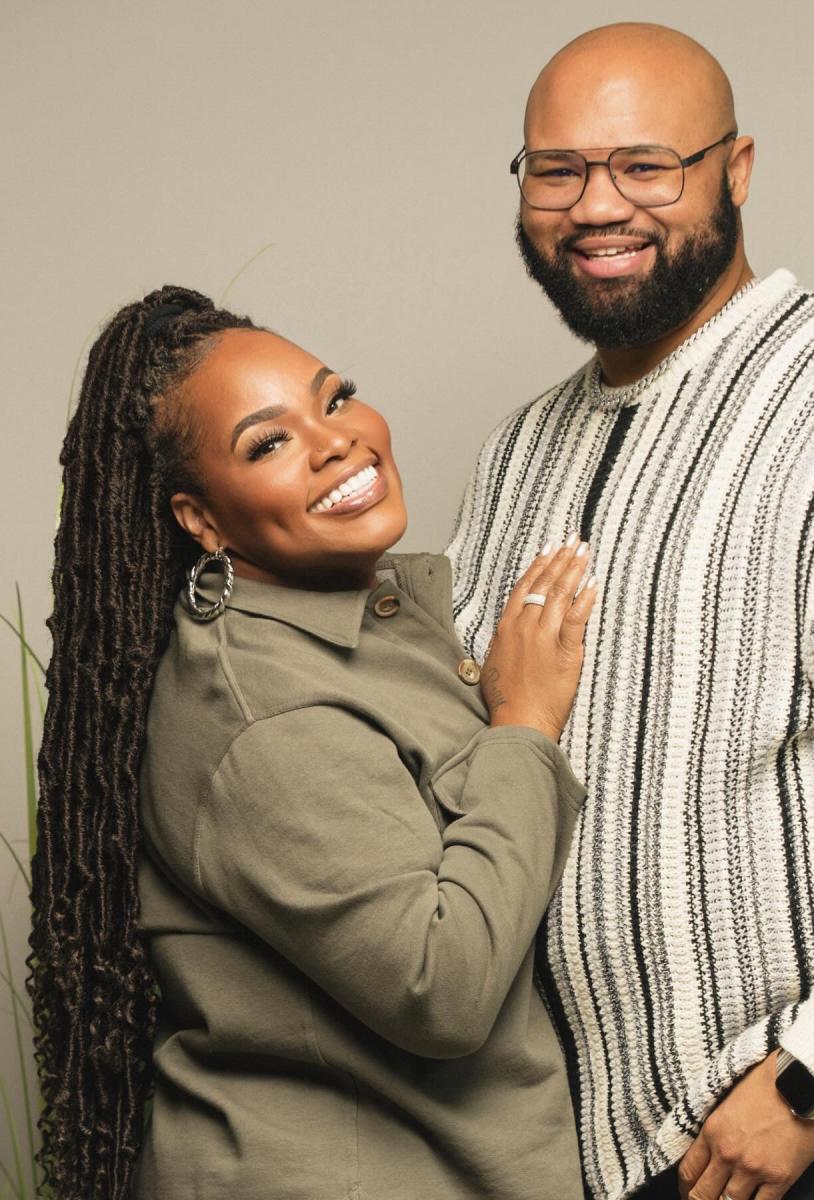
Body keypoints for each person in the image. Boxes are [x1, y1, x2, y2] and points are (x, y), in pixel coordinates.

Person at [447, 22, 814, 1200]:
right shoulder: (515, 456)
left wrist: (811, 1079)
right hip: (623, 1162)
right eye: (558, 170)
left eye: (646, 165)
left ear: (736, 171)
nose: (597, 205)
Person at [31, 285, 599, 1199]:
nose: (336, 439)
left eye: (333, 397)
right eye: (268, 442)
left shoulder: (365, 618)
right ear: (200, 520)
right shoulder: (261, 711)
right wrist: (524, 728)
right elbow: (440, 985)